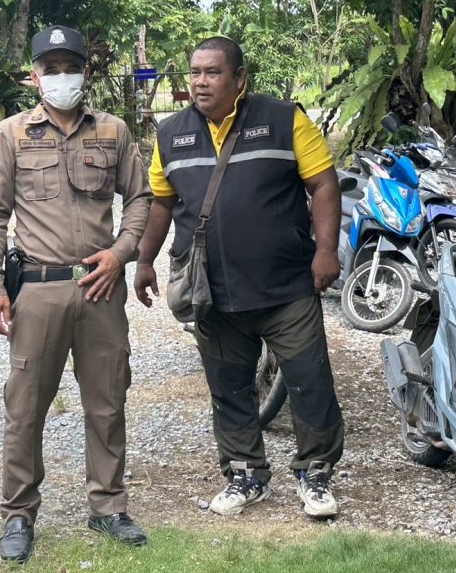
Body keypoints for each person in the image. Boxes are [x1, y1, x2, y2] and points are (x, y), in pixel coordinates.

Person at [133, 36, 345, 519]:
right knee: (228, 387)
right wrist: (144, 261)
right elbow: (162, 203)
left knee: (310, 382)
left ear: (239, 78)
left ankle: (315, 473)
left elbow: (323, 183)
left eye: (212, 72)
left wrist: (326, 251)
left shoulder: (284, 119)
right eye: (194, 73)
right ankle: (246, 474)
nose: (200, 82)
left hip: (287, 288)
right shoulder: (171, 133)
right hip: (213, 292)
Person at [0, 25, 152, 563]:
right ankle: (18, 515)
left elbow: (140, 198)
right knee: (25, 408)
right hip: (38, 289)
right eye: (50, 69)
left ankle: (108, 507)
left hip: (101, 288)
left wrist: (120, 254)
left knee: (108, 402)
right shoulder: (9, 135)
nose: (61, 77)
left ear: (85, 72)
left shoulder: (113, 131)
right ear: (35, 78)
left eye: (69, 67)